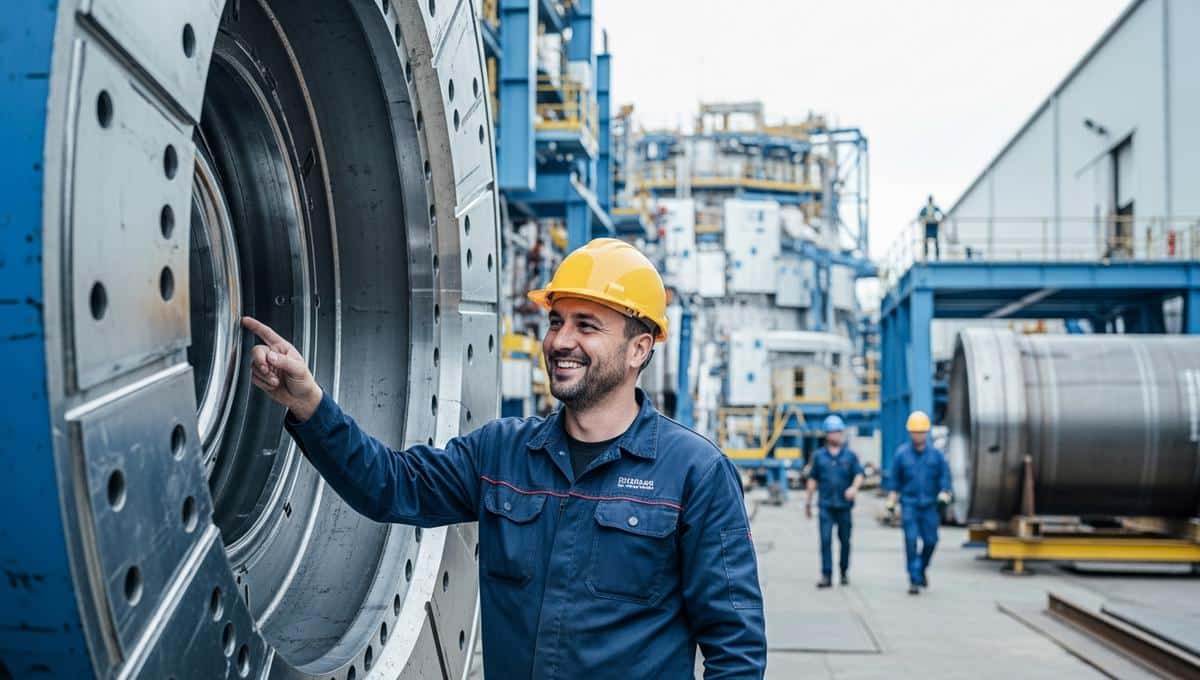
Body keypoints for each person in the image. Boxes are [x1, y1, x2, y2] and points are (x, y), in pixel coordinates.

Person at [242, 238, 767, 678]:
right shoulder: (502, 453)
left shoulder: (694, 474)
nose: (561, 341)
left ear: (639, 349)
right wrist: (310, 404)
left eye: (587, 325)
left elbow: (736, 649)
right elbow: (388, 484)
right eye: (557, 321)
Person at [885, 410, 952, 595]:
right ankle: (914, 579)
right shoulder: (902, 455)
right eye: (915, 431)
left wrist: (945, 493)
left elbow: (944, 478)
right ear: (910, 433)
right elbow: (894, 482)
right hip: (910, 505)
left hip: (929, 506)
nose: (918, 435)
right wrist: (891, 501)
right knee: (910, 541)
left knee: (931, 541)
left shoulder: (936, 456)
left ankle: (921, 568)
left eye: (921, 432)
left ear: (927, 433)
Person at [804, 415, 864, 588]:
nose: (836, 435)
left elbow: (859, 474)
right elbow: (813, 480)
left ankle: (844, 571)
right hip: (826, 506)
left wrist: (854, 488)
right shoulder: (819, 457)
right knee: (825, 540)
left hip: (844, 507)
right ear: (827, 434)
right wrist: (808, 502)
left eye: (838, 432)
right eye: (832, 432)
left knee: (845, 540)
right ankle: (826, 574)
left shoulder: (850, 456)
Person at [918, 195, 945, 260]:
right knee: (926, 241)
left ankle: (937, 256)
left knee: (936, 241)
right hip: (927, 226)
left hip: (934, 225)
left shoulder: (935, 208)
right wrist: (923, 220)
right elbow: (920, 216)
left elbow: (942, 214)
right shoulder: (925, 208)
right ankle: (926, 255)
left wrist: (939, 220)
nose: (930, 200)